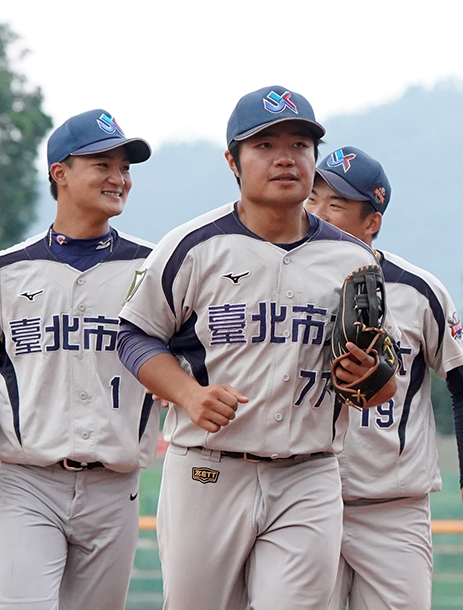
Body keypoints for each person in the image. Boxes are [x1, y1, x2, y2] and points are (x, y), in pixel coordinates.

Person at [115, 86, 397, 610]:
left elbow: (385, 381)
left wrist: (369, 377)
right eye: (264, 145)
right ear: (233, 161)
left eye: (300, 144)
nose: (286, 157)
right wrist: (188, 395)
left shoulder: (353, 261)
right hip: (208, 468)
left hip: (308, 472)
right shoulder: (191, 247)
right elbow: (133, 335)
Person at [0, 109, 156, 610]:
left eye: (124, 166)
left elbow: (189, 352)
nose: (118, 177)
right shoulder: (5, 270)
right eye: (102, 163)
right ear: (60, 172)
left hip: (115, 484)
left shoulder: (152, 267)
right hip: (29, 481)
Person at [304, 146, 463, 610]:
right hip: (306, 498)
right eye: (313, 198)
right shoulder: (285, 283)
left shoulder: (418, 290)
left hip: (392, 508)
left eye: (335, 204)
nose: (317, 211)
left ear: (372, 222)